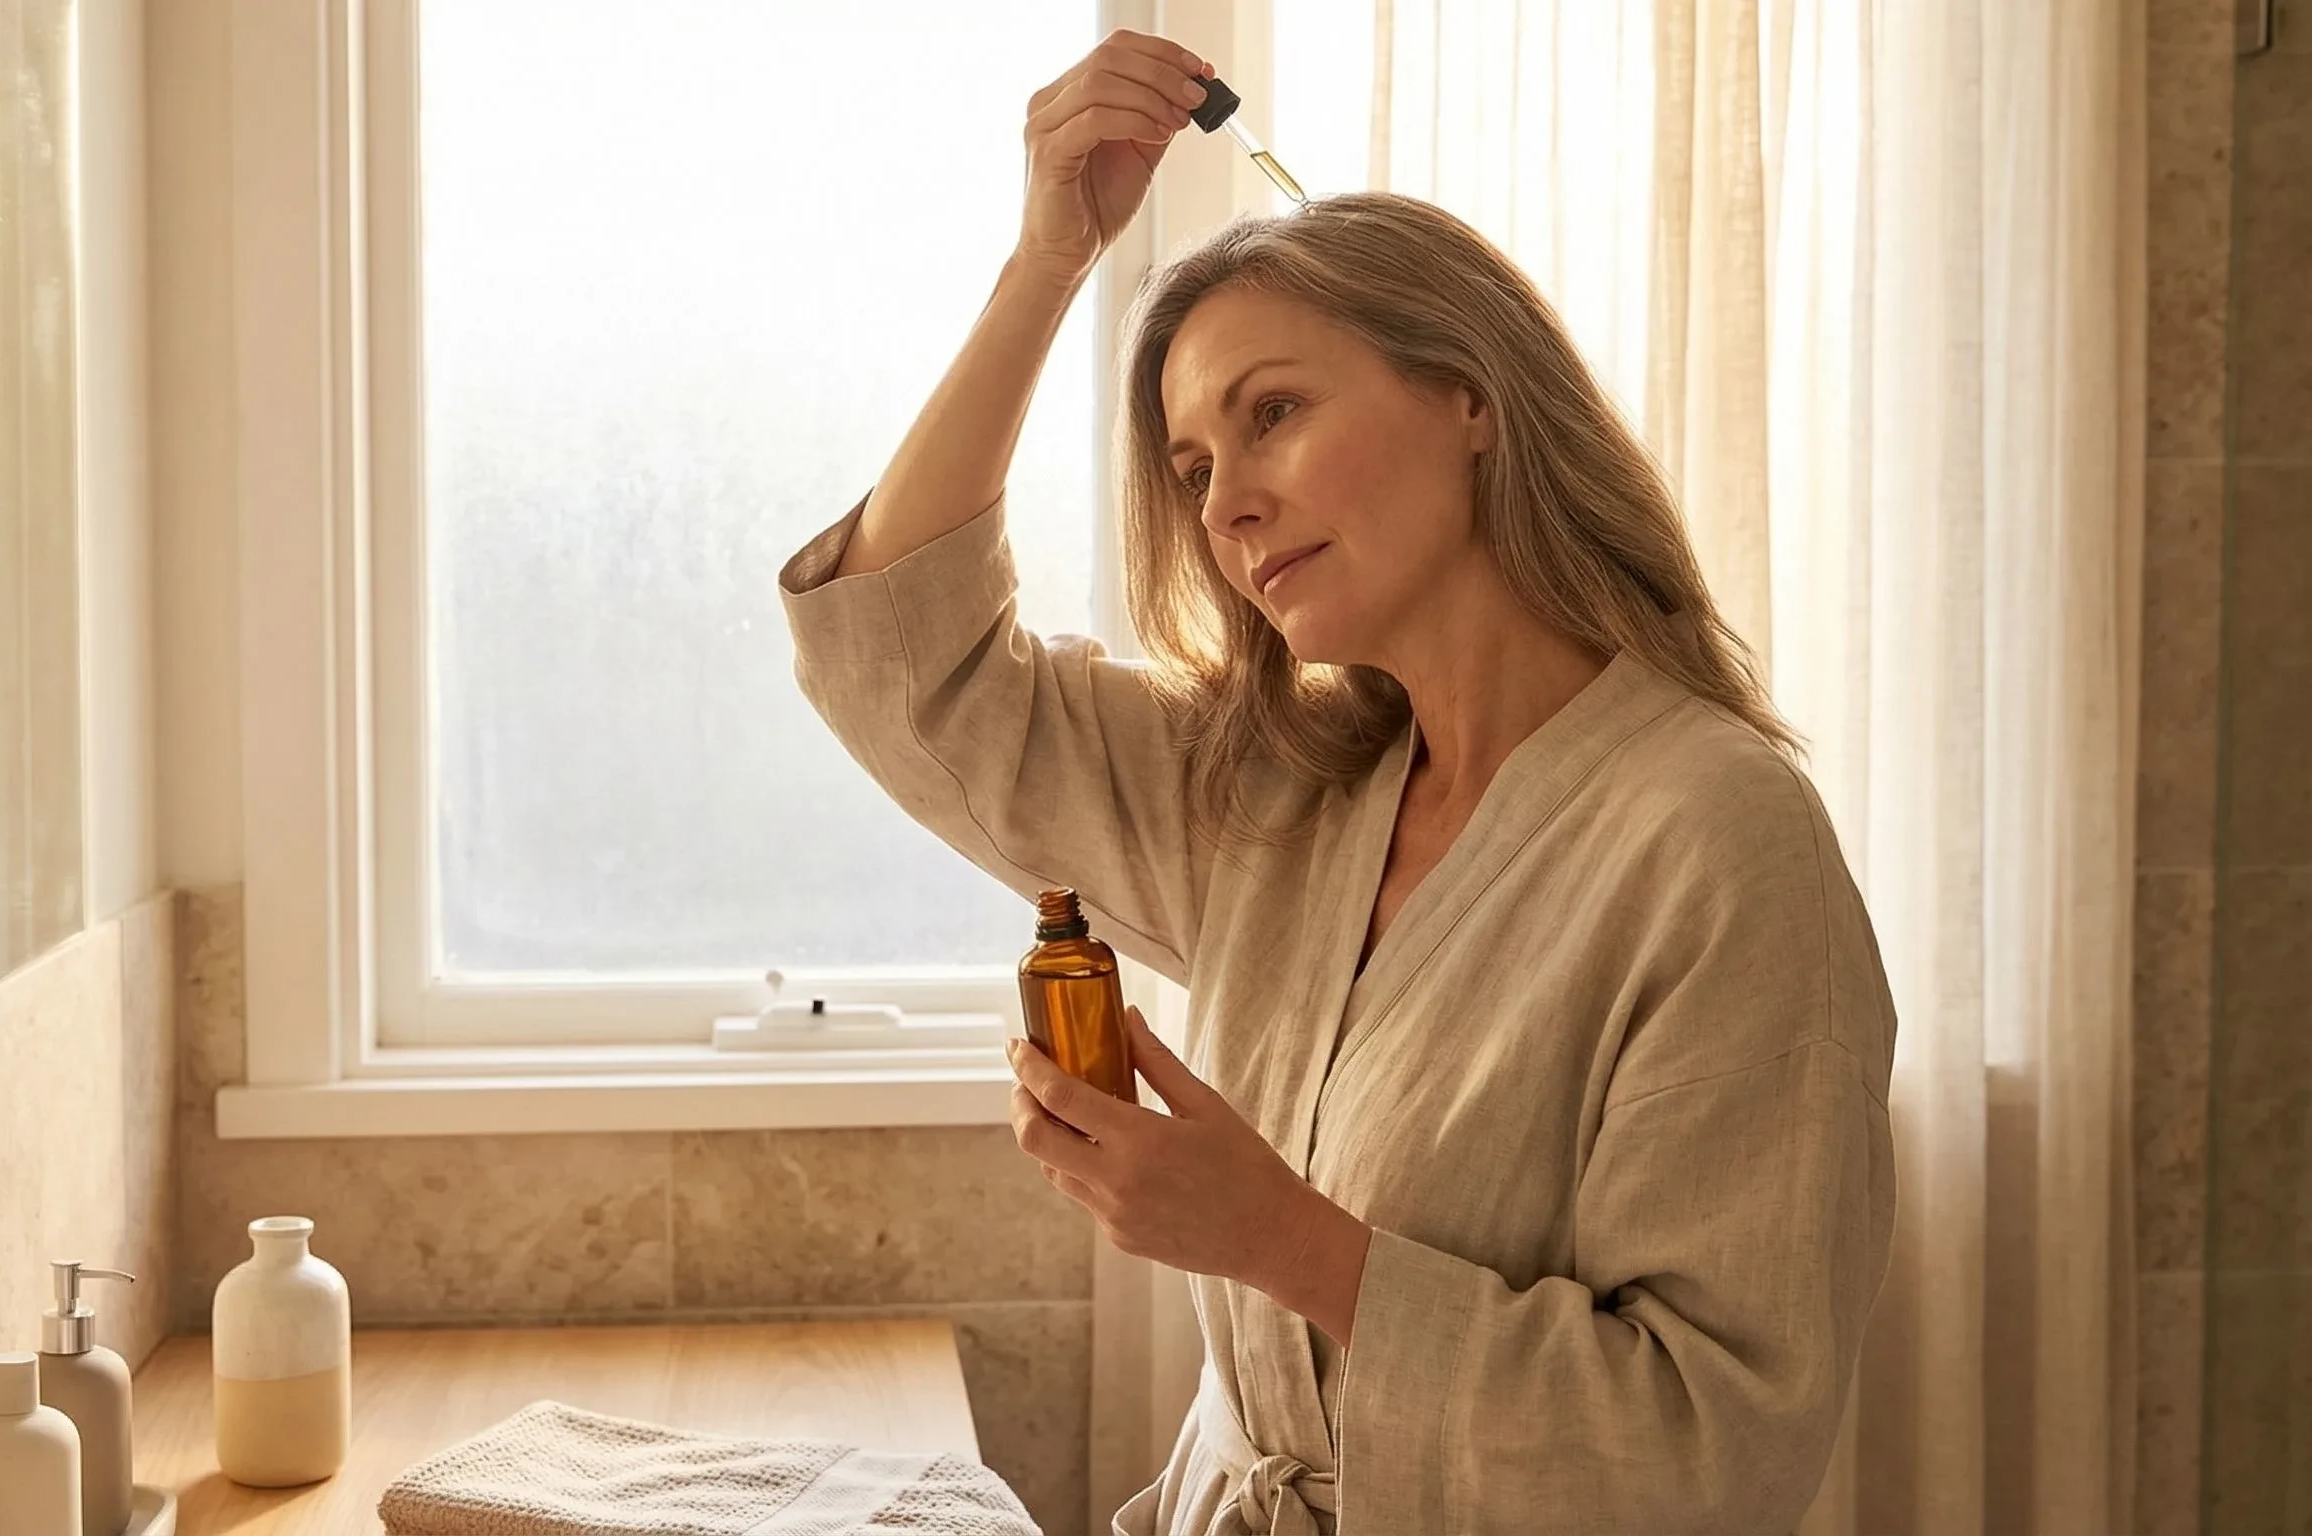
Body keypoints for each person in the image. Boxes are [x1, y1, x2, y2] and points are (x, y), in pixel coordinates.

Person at [777, 28, 1896, 1536]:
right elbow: (907, 669)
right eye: (1188, 468)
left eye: (1273, 413)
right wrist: (1050, 259)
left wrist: (1283, 1241)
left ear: (1470, 398)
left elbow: (1710, 1446)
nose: (1227, 502)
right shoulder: (1284, 801)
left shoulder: (1718, 846)